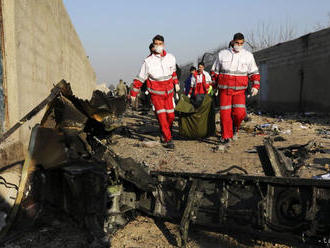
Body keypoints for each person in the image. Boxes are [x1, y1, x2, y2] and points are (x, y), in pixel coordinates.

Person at [211, 32, 260, 148]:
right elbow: (214, 72)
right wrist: (214, 86)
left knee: (239, 114)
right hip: (225, 91)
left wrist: (255, 86)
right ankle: (226, 137)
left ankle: (235, 128)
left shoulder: (248, 56)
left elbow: (254, 72)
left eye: (241, 43)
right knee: (225, 114)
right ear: (233, 42)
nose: (239, 45)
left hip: (239, 91)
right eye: (237, 43)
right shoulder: (222, 54)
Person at [130, 35, 180, 149]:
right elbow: (140, 78)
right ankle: (168, 139)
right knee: (162, 116)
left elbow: (173, 72)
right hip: (156, 94)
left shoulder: (171, 58)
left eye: (160, 44)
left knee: (171, 116)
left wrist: (176, 83)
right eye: (156, 44)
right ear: (153, 45)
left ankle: (165, 132)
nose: (158, 46)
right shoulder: (148, 62)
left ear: (164, 44)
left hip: (169, 93)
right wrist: (133, 93)